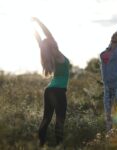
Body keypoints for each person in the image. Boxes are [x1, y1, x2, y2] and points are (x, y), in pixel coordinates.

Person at [32, 17, 70, 147]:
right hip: (58, 91)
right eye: (51, 41)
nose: (53, 41)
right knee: (60, 119)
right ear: (52, 44)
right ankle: (59, 145)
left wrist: (35, 27)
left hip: (49, 91)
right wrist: (38, 22)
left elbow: (41, 39)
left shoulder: (52, 54)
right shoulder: (55, 54)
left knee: (46, 119)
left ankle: (40, 144)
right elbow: (47, 34)